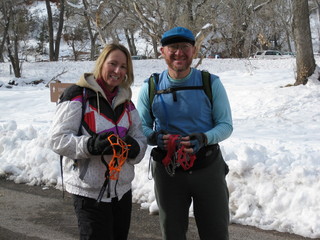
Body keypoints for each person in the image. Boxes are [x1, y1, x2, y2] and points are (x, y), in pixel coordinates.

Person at [137, 27, 233, 240]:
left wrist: (204, 138)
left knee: (216, 233)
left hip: (207, 168)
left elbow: (225, 125)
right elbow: (140, 127)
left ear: (194, 51)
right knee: (172, 234)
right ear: (162, 51)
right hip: (168, 172)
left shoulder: (210, 83)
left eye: (184, 47)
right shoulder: (151, 86)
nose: (178, 53)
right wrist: (155, 138)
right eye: (173, 47)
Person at [50, 43, 147, 240]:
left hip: (122, 192)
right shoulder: (77, 95)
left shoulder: (127, 102)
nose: (117, 71)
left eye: (123, 66)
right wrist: (90, 145)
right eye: (113, 64)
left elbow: (141, 139)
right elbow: (57, 140)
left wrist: (134, 147)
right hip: (89, 194)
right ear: (101, 63)